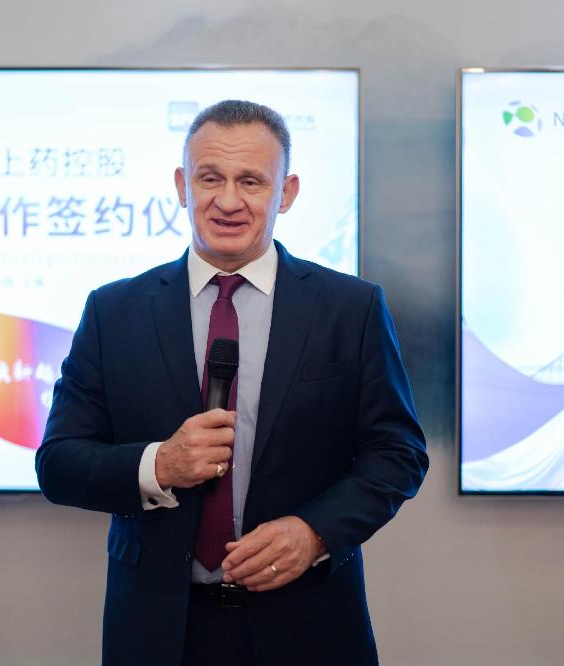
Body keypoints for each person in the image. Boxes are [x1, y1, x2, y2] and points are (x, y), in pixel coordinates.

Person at [36, 100, 428, 666]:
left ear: (286, 193)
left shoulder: (351, 308)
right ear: (182, 185)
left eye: (251, 181)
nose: (227, 201)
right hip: (158, 630)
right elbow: (59, 463)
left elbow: (397, 453)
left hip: (309, 624)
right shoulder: (114, 311)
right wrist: (159, 465)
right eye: (209, 178)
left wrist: (314, 532)